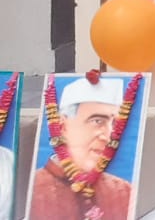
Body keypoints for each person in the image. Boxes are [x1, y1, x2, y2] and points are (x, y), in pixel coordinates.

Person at [28, 76, 135, 220]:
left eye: (114, 124)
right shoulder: (33, 190)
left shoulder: (124, 191)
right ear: (62, 126)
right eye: (97, 121)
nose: (108, 137)